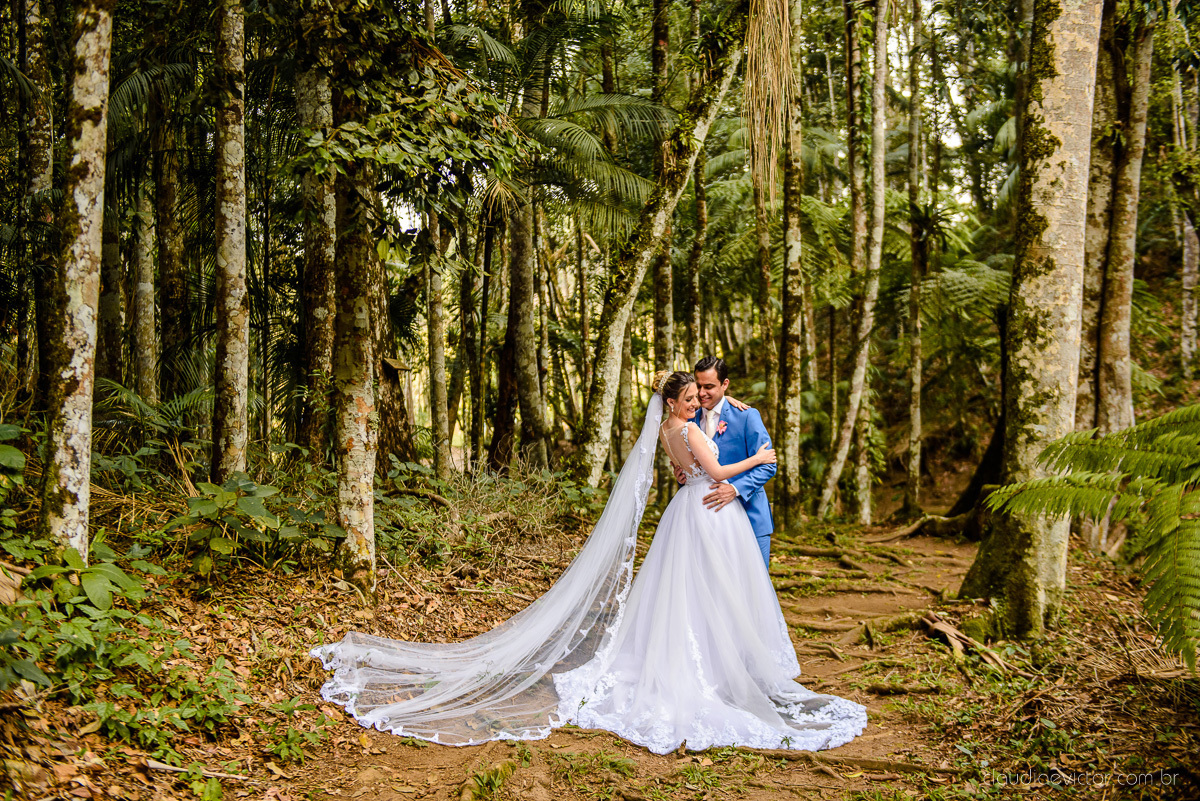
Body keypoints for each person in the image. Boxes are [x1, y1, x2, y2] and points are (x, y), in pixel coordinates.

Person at [311, 371, 866, 754]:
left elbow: (682, 471)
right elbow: (717, 475)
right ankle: (717, 673)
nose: (697, 402)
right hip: (706, 511)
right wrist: (761, 457)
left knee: (693, 595)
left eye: (700, 396)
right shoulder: (690, 428)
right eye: (690, 397)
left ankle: (718, 665)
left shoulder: (670, 432)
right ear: (673, 402)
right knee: (706, 593)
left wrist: (710, 453)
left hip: (686, 512)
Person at [678, 356, 777, 568]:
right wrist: (683, 475)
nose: (702, 393)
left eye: (709, 386)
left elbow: (768, 464)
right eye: (698, 385)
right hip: (707, 520)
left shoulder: (747, 416)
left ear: (725, 384)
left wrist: (734, 489)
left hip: (750, 515)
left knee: (755, 588)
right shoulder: (689, 420)